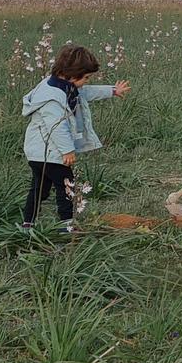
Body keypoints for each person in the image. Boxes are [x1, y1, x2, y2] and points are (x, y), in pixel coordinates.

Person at [21, 45, 128, 231]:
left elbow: (86, 92)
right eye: (85, 77)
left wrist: (111, 90)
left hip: (37, 153)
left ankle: (28, 224)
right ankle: (67, 226)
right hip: (51, 153)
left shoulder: (62, 85)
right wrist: (67, 150)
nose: (87, 81)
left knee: (39, 190)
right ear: (70, 74)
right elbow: (57, 127)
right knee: (67, 189)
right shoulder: (52, 97)